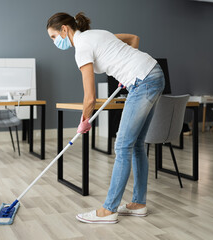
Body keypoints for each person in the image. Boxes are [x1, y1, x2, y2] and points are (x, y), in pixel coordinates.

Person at [47, 12, 165, 224]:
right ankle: (138, 204)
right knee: (136, 145)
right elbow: (133, 39)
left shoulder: (81, 47)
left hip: (143, 81)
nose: (55, 42)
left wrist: (84, 121)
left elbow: (90, 97)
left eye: (54, 37)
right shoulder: (97, 34)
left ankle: (109, 210)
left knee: (122, 146)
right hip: (154, 73)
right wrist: (128, 68)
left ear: (65, 29)